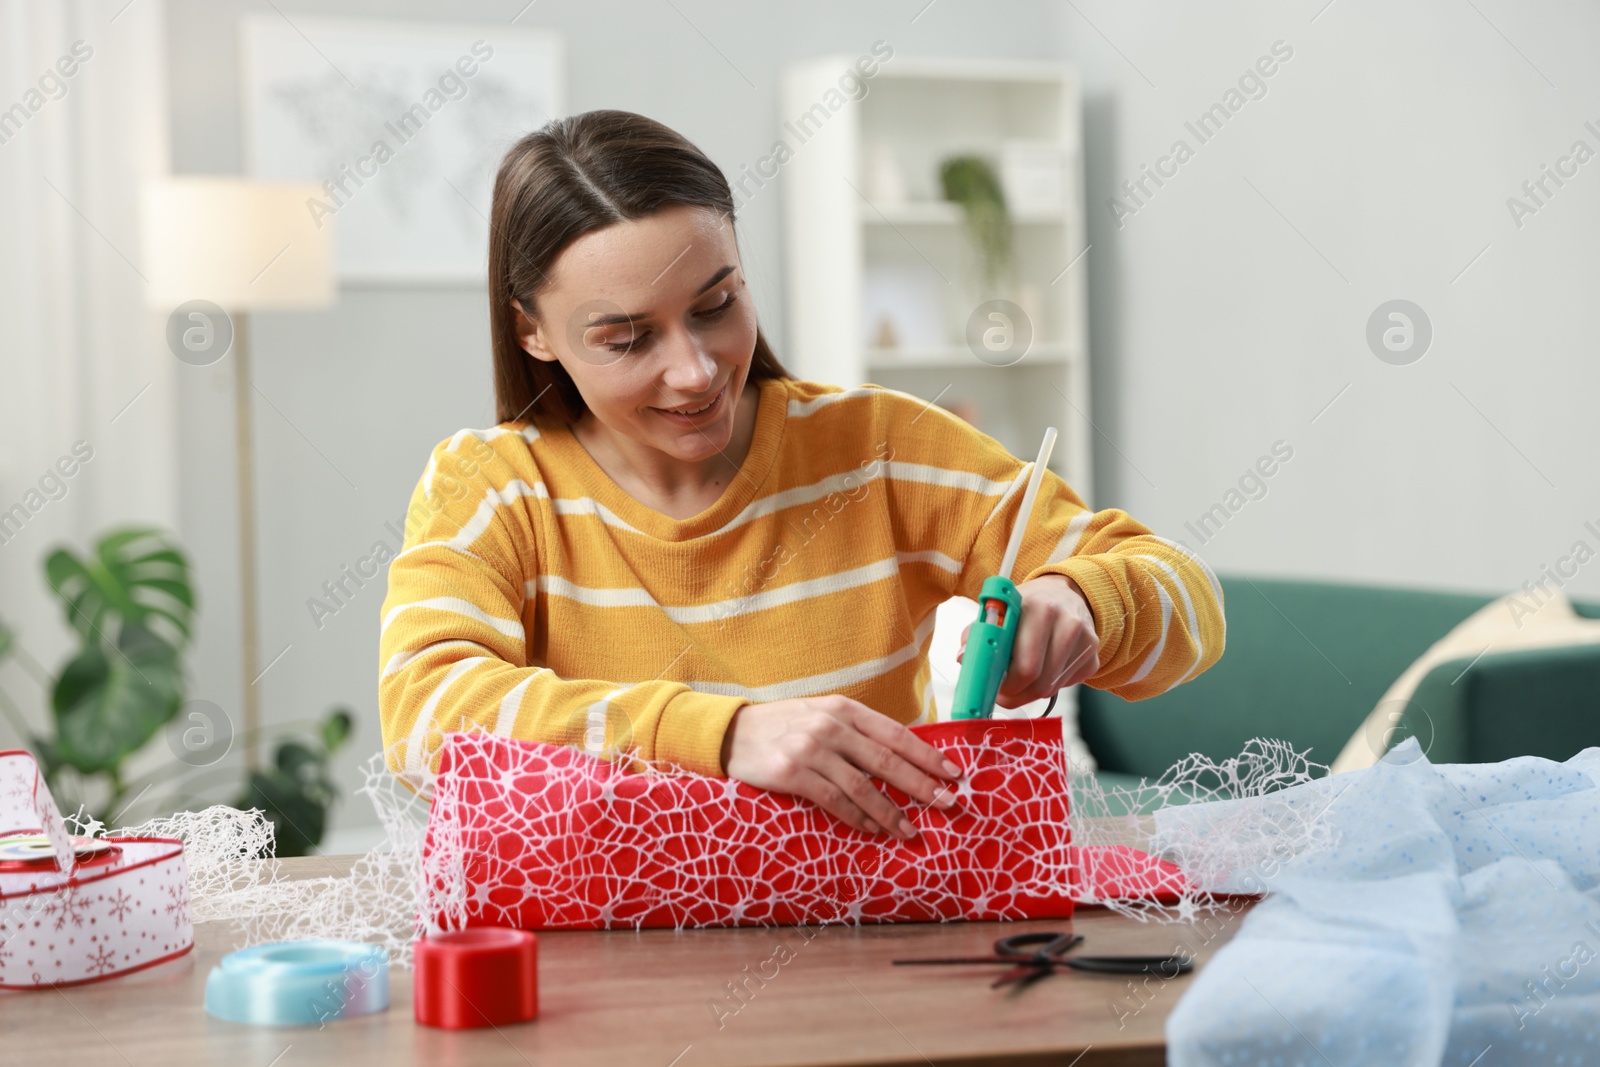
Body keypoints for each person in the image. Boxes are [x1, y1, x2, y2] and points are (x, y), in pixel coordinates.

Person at [378, 109, 1225, 842]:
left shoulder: (879, 448)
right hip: (609, 969)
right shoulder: (490, 486)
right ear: (532, 332)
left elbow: (1188, 600)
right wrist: (722, 734)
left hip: (878, 951)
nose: (697, 371)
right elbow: (423, 720)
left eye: (717, 305)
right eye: (629, 339)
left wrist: (1082, 602)